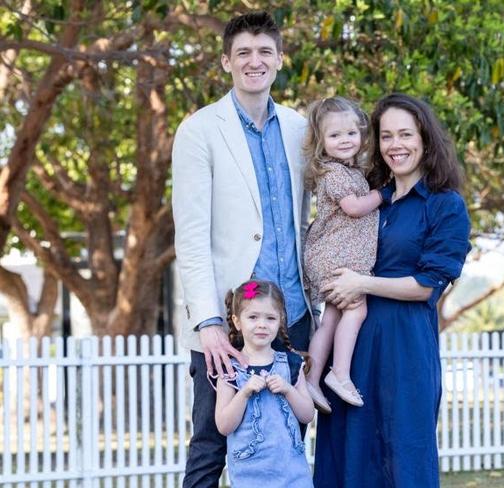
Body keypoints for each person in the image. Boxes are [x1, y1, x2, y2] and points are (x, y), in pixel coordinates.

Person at [171, 12, 314, 487]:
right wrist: (209, 323)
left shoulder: (300, 128)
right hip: (229, 322)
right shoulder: (199, 129)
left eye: (265, 52)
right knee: (213, 444)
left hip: (292, 317)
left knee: (289, 441)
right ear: (227, 62)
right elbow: (190, 236)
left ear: (279, 60)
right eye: (244, 53)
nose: (255, 61)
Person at [313, 93, 472, 487]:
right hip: (348, 355)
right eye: (386, 136)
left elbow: (427, 285)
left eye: (405, 134)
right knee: (346, 459)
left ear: (425, 138)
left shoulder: (444, 206)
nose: (395, 145)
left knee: (403, 457)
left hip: (404, 348)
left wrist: (361, 283)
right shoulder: (369, 199)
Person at [301, 97, 381, 412]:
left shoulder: (352, 171)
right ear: (321, 142)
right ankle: (340, 374)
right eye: (335, 136)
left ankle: (311, 377)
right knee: (357, 309)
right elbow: (353, 207)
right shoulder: (333, 173)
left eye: (351, 133)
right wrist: (382, 194)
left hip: (334, 257)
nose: (345, 140)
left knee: (331, 317)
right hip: (334, 258)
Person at [215, 280, 315, 488]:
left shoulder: (291, 364)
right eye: (253, 317)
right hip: (249, 476)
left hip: (292, 475)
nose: (262, 324)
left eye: (270, 318)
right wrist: (244, 393)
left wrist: (288, 389)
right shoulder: (230, 370)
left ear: (280, 321)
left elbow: (307, 414)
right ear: (237, 321)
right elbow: (224, 425)